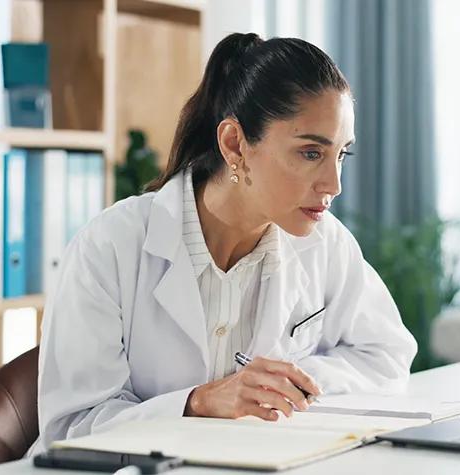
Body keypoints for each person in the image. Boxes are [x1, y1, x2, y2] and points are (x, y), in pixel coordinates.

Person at [34, 32, 417, 452]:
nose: (334, 185)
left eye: (341, 155)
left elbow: (386, 356)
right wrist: (198, 403)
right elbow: (71, 428)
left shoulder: (325, 244)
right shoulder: (109, 246)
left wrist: (292, 384)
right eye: (311, 153)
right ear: (235, 144)